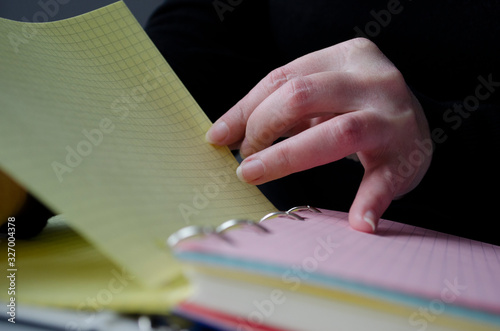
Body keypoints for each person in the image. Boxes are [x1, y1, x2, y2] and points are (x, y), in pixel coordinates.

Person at [145, 0, 500, 245]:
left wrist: (439, 138)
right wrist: (145, 83)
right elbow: (203, 24)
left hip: (463, 246)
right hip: (264, 235)